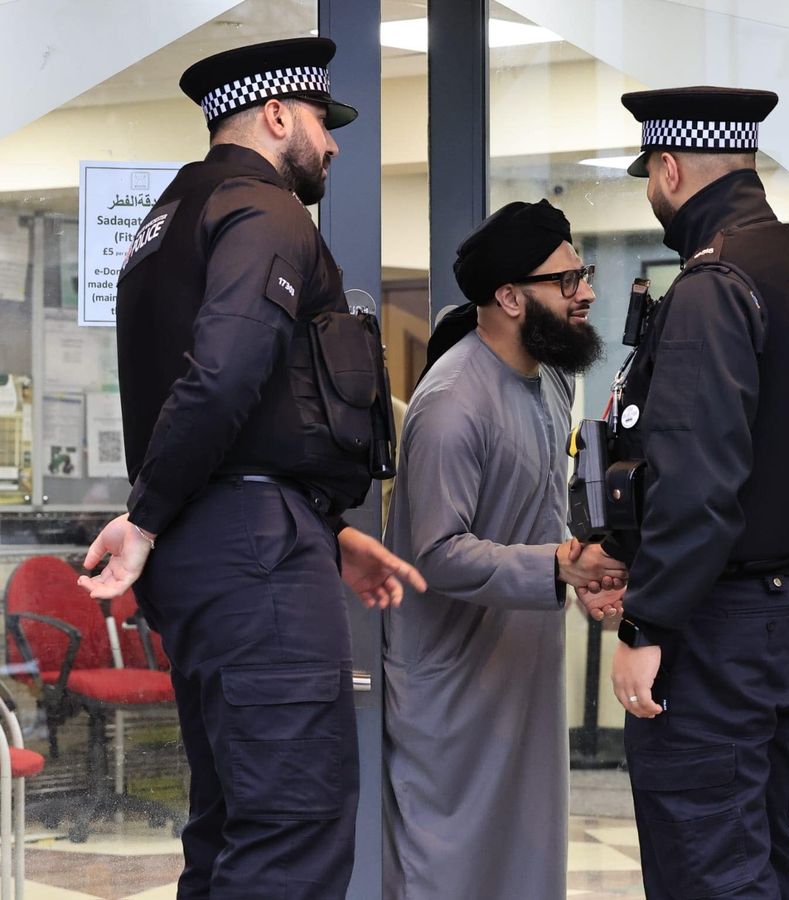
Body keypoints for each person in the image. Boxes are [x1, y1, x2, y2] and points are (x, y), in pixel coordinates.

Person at [76, 38, 425, 899]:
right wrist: (151, 515)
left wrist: (325, 527)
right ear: (276, 116)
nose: (334, 143)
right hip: (249, 558)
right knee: (292, 828)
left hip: (228, 543)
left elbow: (249, 409)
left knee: (235, 823)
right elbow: (226, 371)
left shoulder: (170, 215)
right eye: (320, 121)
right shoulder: (266, 209)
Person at [604, 87, 789, 899]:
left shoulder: (714, 285)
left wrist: (648, 619)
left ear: (670, 169)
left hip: (718, 620)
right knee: (755, 850)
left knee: (704, 860)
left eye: (651, 175)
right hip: (781, 610)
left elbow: (697, 480)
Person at [382, 200, 626, 900]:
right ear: (510, 297)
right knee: (449, 870)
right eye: (568, 278)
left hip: (523, 665)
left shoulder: (550, 379)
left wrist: (579, 575)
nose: (587, 292)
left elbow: (540, 515)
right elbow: (437, 553)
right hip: (453, 684)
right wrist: (555, 567)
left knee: (526, 863)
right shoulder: (451, 404)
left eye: (584, 272)